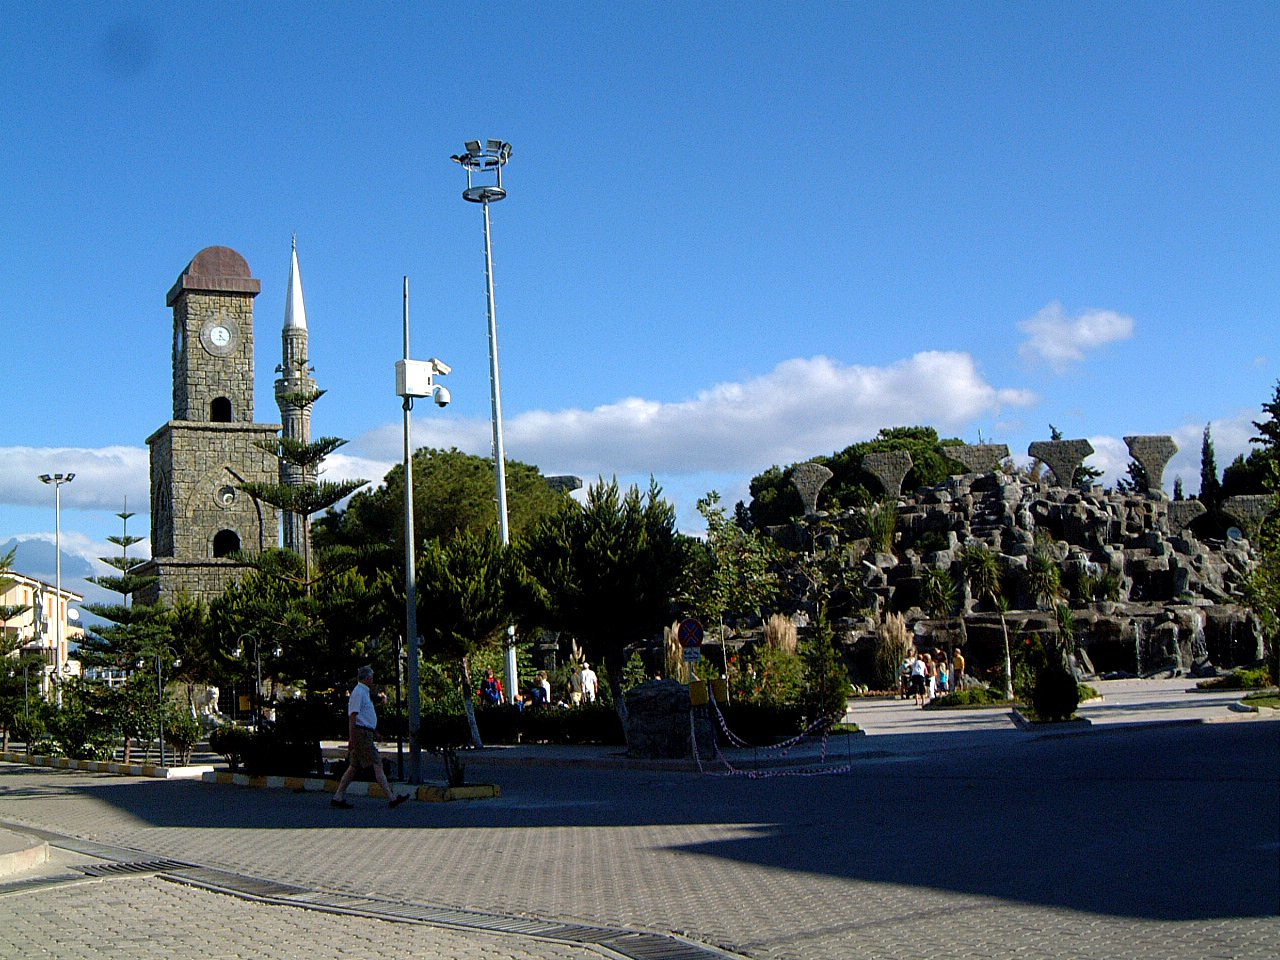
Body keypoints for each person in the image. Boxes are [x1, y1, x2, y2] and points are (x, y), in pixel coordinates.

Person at [331, 665, 408, 810]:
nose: (373, 680)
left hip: (365, 733)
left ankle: (338, 796)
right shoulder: (359, 692)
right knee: (377, 763)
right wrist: (352, 737)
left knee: (353, 767)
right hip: (361, 735)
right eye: (371, 677)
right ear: (367, 678)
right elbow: (353, 716)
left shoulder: (364, 692)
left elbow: (365, 716)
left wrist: (375, 732)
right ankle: (391, 798)